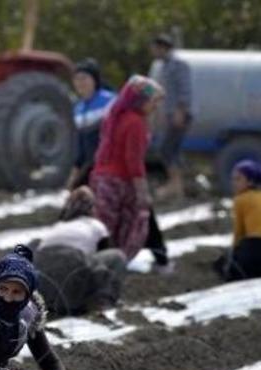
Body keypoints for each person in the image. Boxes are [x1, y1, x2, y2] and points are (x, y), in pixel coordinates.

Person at [90, 75, 164, 262]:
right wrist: (142, 191)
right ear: (140, 100)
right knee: (129, 227)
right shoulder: (136, 122)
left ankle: (96, 263)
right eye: (153, 102)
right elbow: (133, 160)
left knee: (103, 227)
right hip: (120, 181)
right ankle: (114, 263)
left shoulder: (114, 116)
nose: (155, 107)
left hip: (102, 179)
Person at [36, 186, 127, 314]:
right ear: (91, 208)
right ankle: (102, 303)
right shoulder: (95, 225)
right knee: (118, 257)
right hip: (71, 269)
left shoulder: (58, 226)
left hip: (42, 285)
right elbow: (104, 257)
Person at [149, 33, 192, 200]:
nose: (153, 52)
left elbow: (185, 89)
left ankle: (174, 185)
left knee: (167, 149)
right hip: (171, 113)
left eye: (155, 48)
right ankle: (177, 187)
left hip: (179, 113)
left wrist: (180, 111)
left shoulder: (178, 65)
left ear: (162, 47)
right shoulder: (165, 66)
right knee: (172, 150)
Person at [66, 58, 116, 191]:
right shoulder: (78, 108)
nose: (80, 83)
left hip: (109, 165)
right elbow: (81, 144)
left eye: (84, 78)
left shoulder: (110, 101)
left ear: (94, 80)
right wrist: (75, 173)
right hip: (90, 166)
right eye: (77, 79)